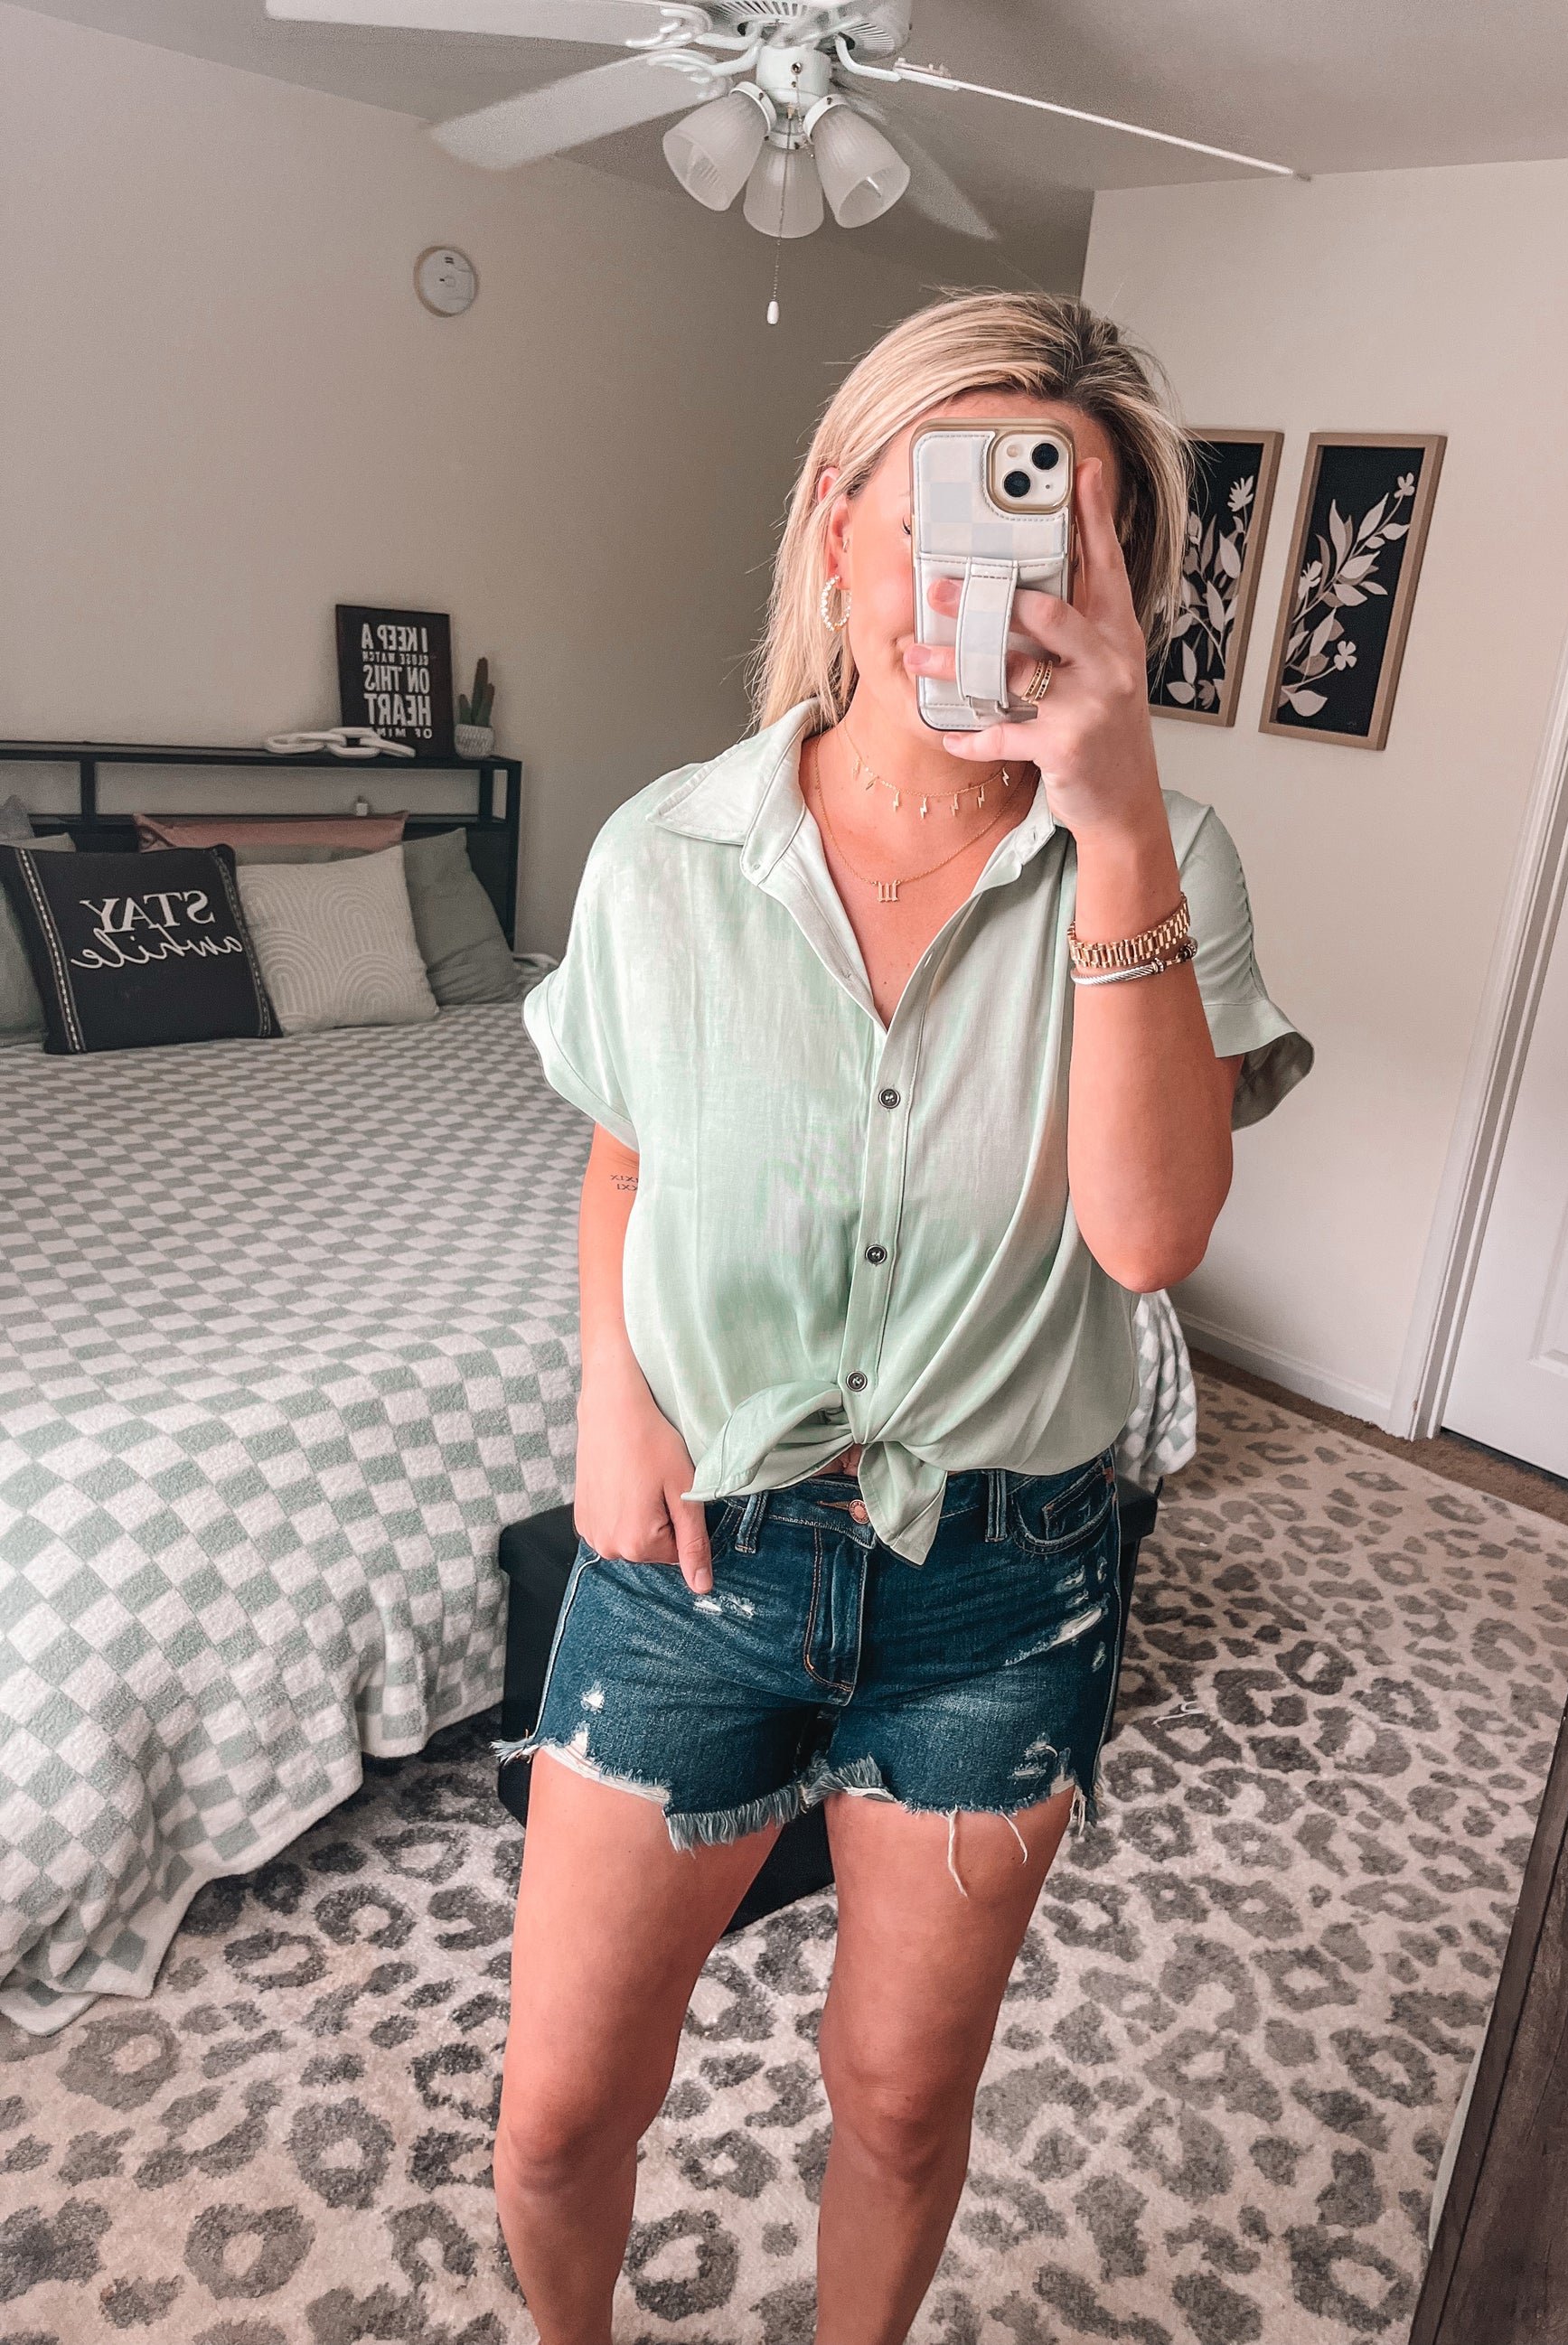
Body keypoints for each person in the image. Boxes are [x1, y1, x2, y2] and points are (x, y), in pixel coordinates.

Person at [491, 290, 1310, 2345]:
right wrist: (613, 1399)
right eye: (955, 504)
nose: (991, 573)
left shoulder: (1165, 857)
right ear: (835, 520)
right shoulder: (663, 853)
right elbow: (623, 1154)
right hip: (690, 1568)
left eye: (1060, 528)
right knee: (556, 2121)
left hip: (1001, 1585)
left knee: (900, 2099)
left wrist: (1114, 818)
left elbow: (1148, 1238)